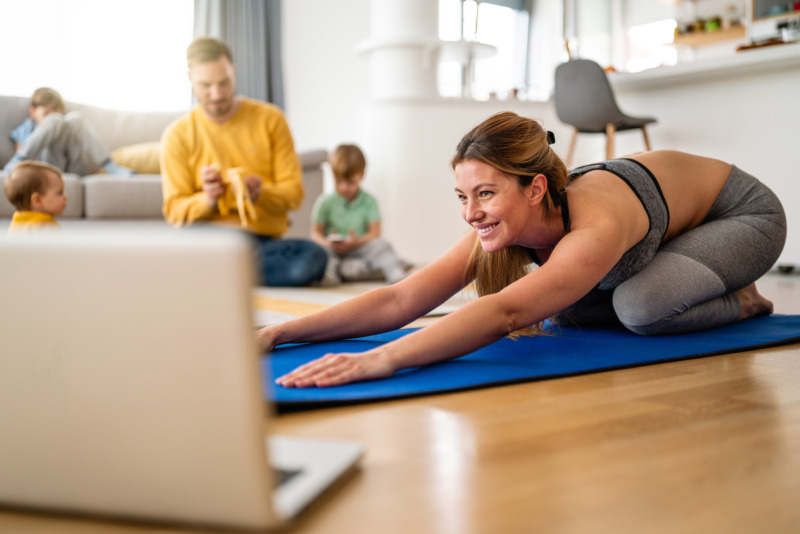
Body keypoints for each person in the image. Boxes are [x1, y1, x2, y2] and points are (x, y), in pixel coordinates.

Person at [256, 111, 787, 388]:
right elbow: (400, 301)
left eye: (485, 194)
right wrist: (278, 333)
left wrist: (383, 359)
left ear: (534, 189)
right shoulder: (506, 223)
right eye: (463, 196)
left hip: (741, 216)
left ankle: (743, 298)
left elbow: (504, 311)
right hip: (667, 232)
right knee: (569, 306)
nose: (471, 213)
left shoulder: (593, 224)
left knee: (639, 308)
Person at [161, 37, 327, 287]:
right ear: (190, 79)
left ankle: (212, 275)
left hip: (261, 242)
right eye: (205, 85)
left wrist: (260, 191)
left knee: (313, 257)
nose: (216, 95)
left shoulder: (271, 119)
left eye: (224, 83)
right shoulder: (177, 135)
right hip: (206, 240)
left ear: (234, 71)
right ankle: (227, 273)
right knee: (170, 251)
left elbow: (294, 194)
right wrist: (207, 200)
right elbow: (174, 211)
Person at [312, 144, 410, 286]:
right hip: (334, 251)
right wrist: (328, 242)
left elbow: (375, 232)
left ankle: (394, 271)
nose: (344, 187)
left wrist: (356, 242)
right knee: (322, 252)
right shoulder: (324, 202)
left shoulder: (369, 201)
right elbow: (315, 233)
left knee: (381, 245)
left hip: (359, 248)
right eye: (339, 182)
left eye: (350, 182)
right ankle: (329, 275)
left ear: (362, 176)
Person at [3, 87, 132, 176]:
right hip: (47, 168)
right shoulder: (27, 128)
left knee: (76, 117)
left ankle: (109, 166)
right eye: (46, 113)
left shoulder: (68, 124)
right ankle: (17, 161)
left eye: (56, 112)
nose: (52, 115)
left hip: (75, 167)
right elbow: (21, 149)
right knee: (54, 120)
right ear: (32, 112)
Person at [4, 160, 68, 233]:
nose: (66, 197)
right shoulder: (46, 224)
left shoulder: (16, 222)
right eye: (60, 193)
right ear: (37, 200)